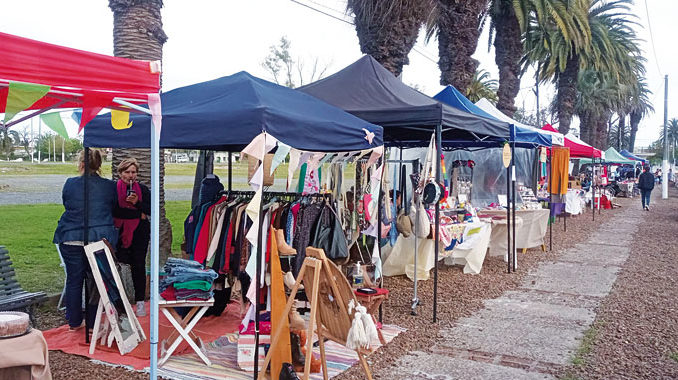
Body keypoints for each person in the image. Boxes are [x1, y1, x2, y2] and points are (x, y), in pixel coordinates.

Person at [53, 149, 118, 330]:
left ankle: (74, 321)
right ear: (99, 165)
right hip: (98, 237)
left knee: (74, 280)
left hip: (71, 236)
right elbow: (113, 206)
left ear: (80, 163)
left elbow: (67, 203)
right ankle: (92, 322)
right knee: (96, 280)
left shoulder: (71, 183)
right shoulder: (109, 186)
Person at [113, 158, 151, 317]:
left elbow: (150, 210)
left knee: (138, 266)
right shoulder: (113, 189)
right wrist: (138, 213)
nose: (130, 175)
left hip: (139, 233)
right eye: (127, 172)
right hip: (120, 232)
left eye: (133, 172)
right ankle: (119, 303)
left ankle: (140, 302)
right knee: (118, 266)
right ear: (120, 173)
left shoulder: (142, 189)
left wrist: (137, 203)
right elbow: (114, 211)